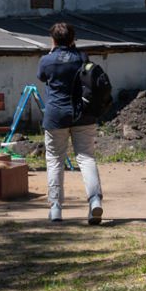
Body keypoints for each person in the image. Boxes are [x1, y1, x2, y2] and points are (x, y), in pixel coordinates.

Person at [36, 21, 104, 224]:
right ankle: (94, 202)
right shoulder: (82, 58)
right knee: (86, 158)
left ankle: (56, 208)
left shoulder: (46, 61)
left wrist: (52, 51)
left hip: (56, 116)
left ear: (53, 39)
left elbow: (42, 77)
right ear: (73, 39)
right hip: (83, 114)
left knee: (55, 160)